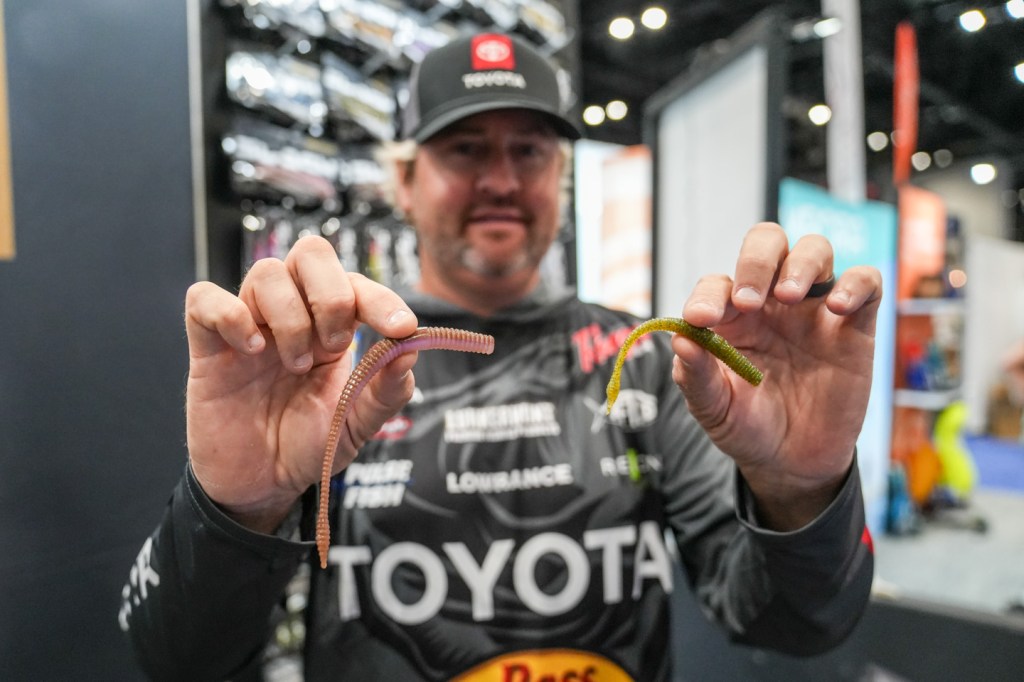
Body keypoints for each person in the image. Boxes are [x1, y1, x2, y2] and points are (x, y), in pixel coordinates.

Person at [120, 32, 881, 681]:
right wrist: (238, 512)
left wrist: (799, 490)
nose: (501, 180)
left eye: (529, 150)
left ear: (560, 176)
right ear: (405, 181)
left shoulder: (653, 362)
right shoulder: (326, 369)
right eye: (466, 149)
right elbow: (176, 659)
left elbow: (794, 624)